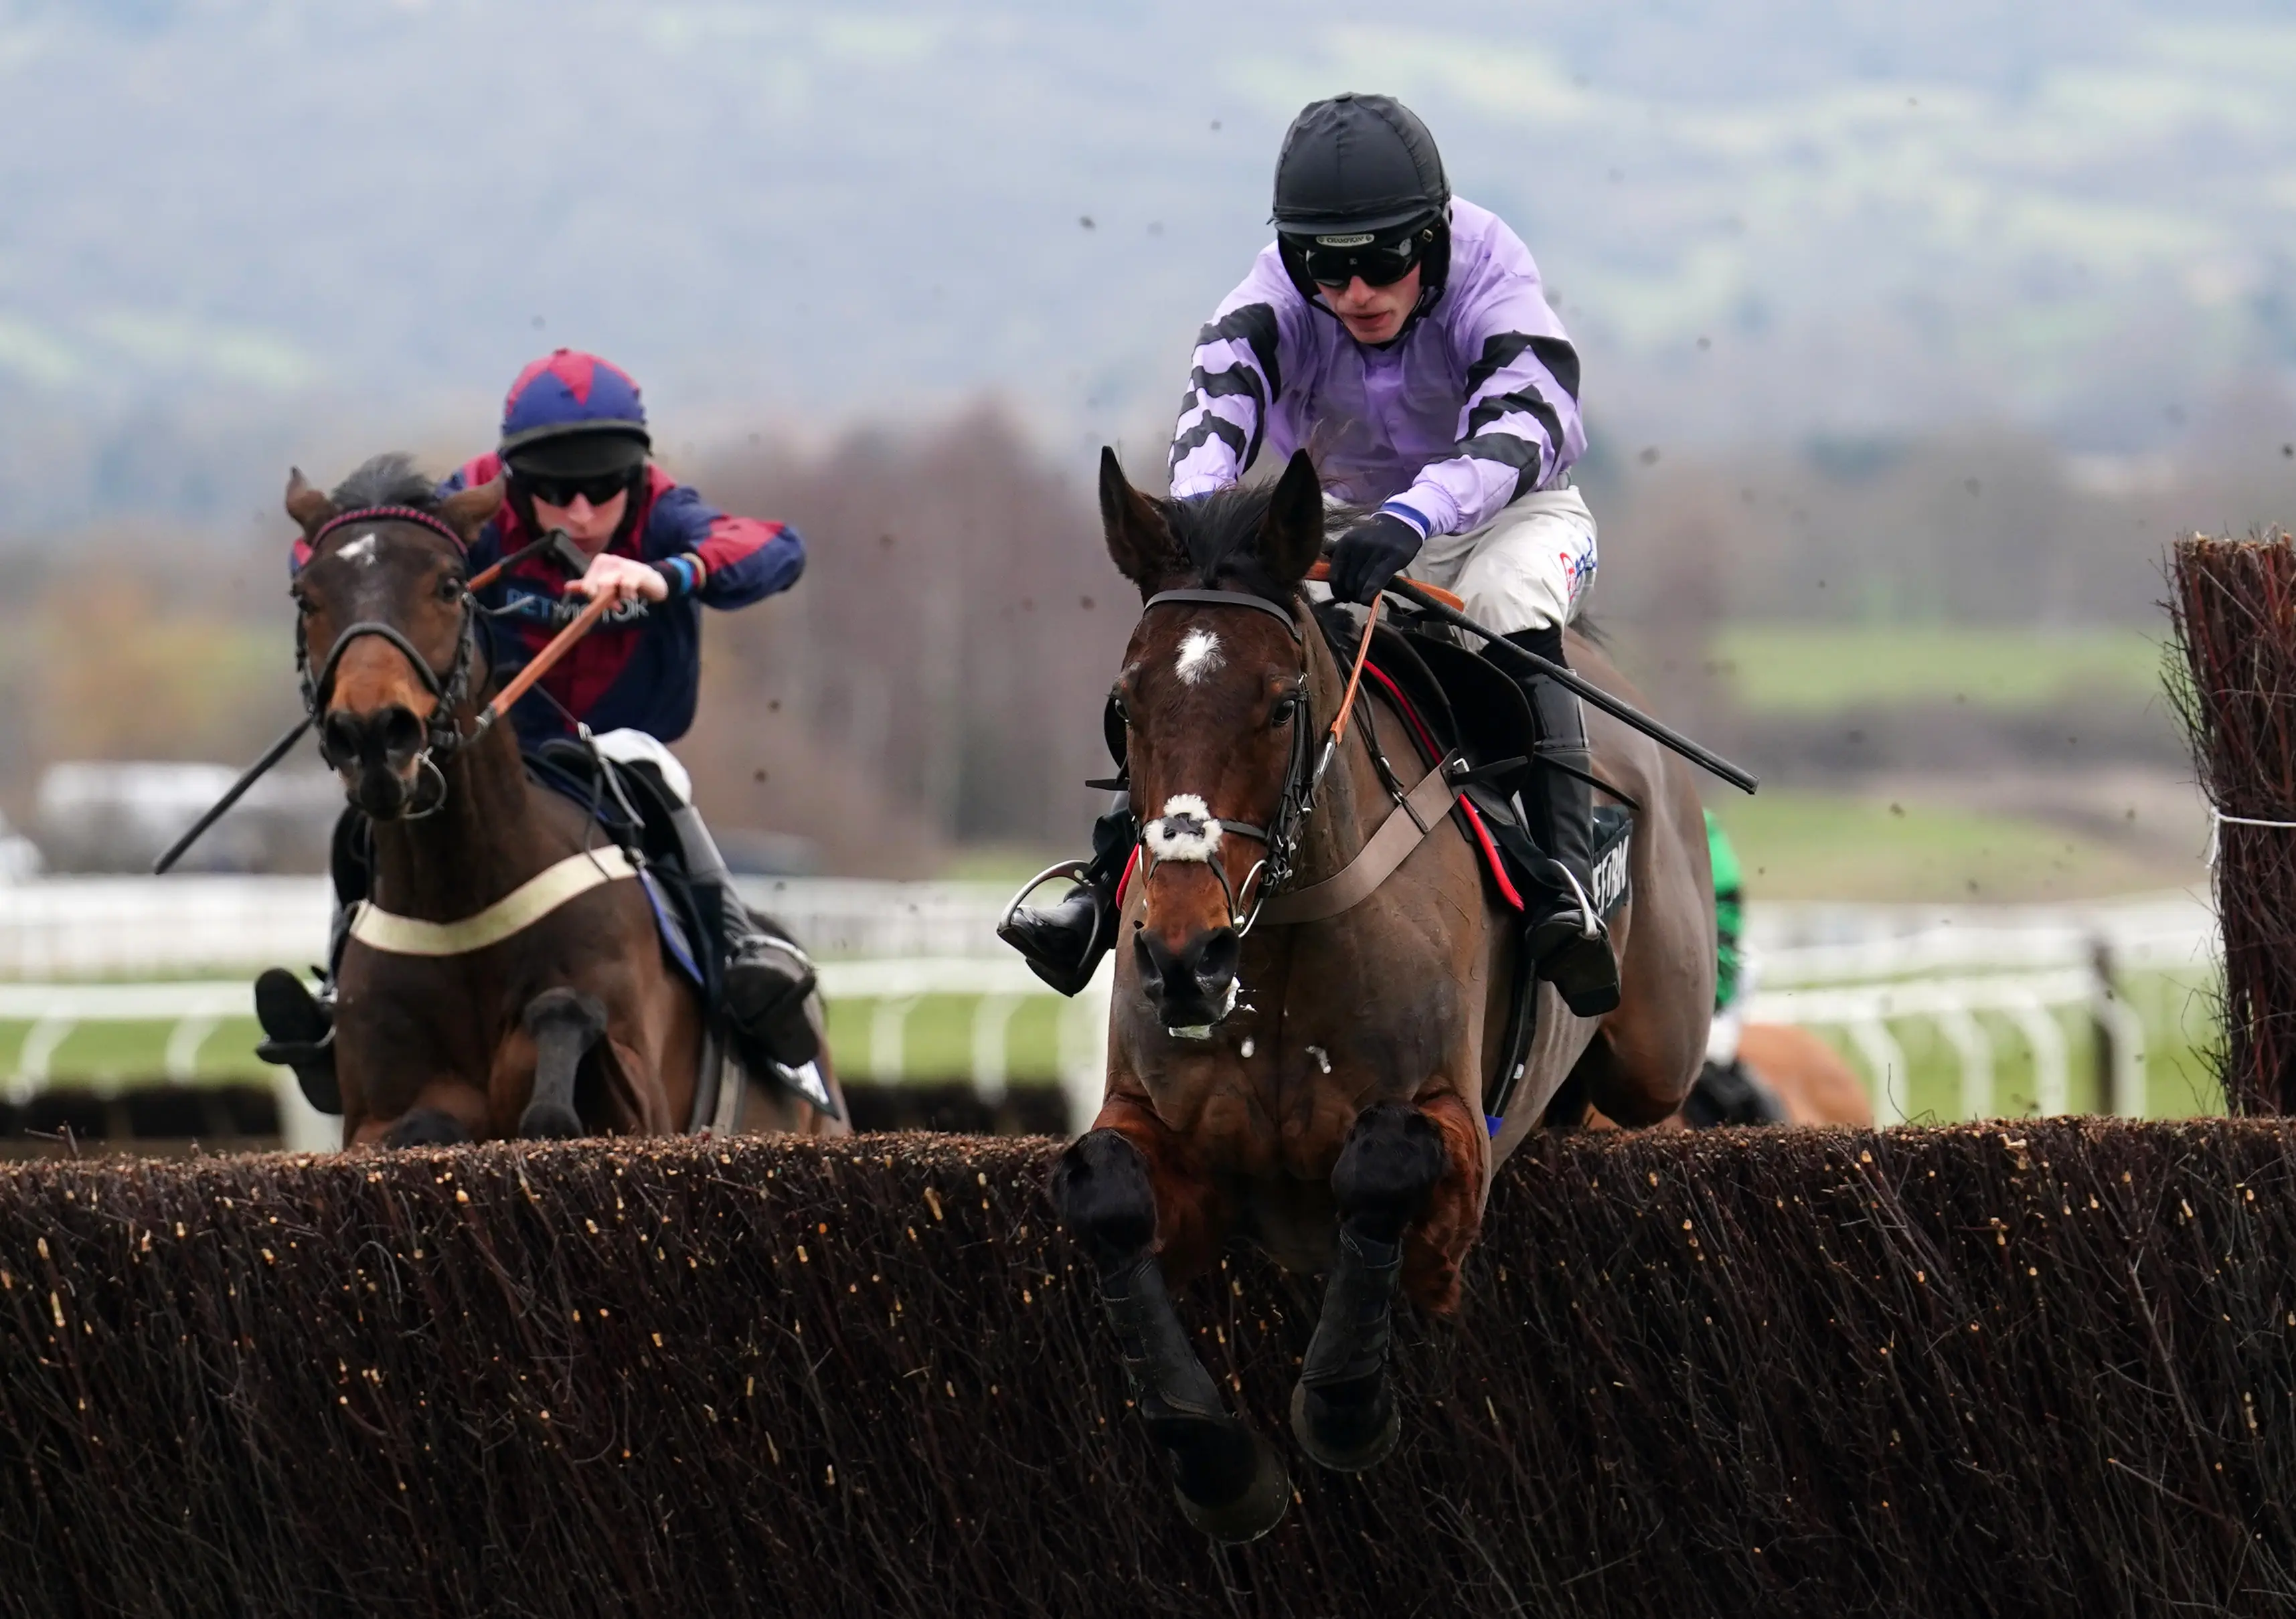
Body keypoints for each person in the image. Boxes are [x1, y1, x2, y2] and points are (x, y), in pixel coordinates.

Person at [1001, 92, 1616, 1014]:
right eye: (1326, 267)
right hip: (1333, 525)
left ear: (1432, 238)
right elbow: (1213, 419)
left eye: (1381, 262)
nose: (1355, 292)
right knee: (1213, 648)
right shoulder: (1266, 301)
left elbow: (1531, 419)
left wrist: (1414, 517)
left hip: (1507, 515)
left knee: (1505, 596)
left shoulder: (1493, 272)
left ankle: (1565, 886)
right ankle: (1106, 877)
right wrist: (1200, 553)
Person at [254, 349, 817, 1101]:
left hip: (619, 738)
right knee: (367, 819)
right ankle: (339, 996)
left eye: (603, 489)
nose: (580, 513)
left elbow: (777, 548)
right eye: (554, 492)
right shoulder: (467, 505)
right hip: (495, 744)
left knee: (656, 778)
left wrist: (667, 573)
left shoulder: (662, 508)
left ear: (635, 473)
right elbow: (346, 552)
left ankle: (740, 956)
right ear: (515, 480)